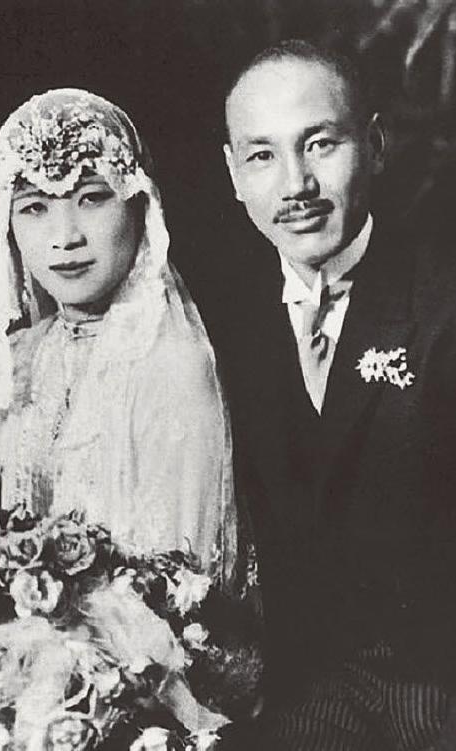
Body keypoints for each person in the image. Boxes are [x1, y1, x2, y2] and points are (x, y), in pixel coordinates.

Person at [200, 39, 456, 749]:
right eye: (262, 155)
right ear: (233, 174)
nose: (296, 185)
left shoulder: (441, 300)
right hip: (304, 694)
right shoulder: (217, 325)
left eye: (319, 144)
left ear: (374, 145)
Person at [0, 88, 237, 585]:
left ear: (139, 206)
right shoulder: (21, 358)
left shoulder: (173, 366)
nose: (65, 237)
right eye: (34, 208)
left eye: (91, 198)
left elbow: (179, 588)